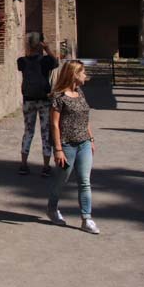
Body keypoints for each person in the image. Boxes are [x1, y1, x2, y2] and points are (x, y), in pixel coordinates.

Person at [46, 60, 100, 234]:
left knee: (85, 181)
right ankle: (52, 209)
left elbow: (85, 119)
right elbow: (54, 125)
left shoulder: (80, 93)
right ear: (74, 74)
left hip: (83, 143)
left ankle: (87, 218)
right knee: (62, 180)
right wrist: (58, 149)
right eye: (83, 72)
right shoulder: (58, 97)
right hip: (67, 145)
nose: (86, 76)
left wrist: (91, 138)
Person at [17, 33, 59, 176]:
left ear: (28, 44)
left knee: (28, 131)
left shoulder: (21, 61)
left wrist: (28, 49)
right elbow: (56, 62)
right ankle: (46, 167)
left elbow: (26, 64)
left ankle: (23, 164)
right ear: (40, 44)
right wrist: (47, 48)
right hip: (44, 100)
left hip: (28, 99)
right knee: (46, 133)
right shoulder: (46, 61)